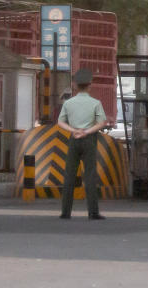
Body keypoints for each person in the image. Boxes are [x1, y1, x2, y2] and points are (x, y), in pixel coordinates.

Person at [57, 68, 108, 220]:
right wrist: (86, 131)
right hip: (89, 140)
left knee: (69, 176)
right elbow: (102, 123)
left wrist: (73, 130)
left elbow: (60, 122)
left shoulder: (69, 103)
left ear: (75, 85)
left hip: (74, 139)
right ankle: (93, 212)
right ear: (90, 85)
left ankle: (65, 212)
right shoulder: (95, 103)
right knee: (90, 175)